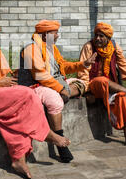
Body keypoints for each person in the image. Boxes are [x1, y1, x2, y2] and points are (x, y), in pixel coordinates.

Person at [0, 9, 71, 179]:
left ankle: (18, 160)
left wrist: (15, 75)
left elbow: (2, 73)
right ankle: (46, 133)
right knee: (28, 94)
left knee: (16, 115)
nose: (0, 28)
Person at [18, 20, 96, 163]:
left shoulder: (51, 48)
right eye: (55, 33)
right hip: (34, 85)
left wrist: (83, 64)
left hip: (53, 82)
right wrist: (60, 89)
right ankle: (60, 144)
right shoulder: (31, 49)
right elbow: (39, 75)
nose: (57, 36)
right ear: (45, 34)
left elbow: (63, 66)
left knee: (81, 83)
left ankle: (63, 92)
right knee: (54, 100)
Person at [78, 22, 126, 145]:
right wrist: (86, 92)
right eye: (96, 35)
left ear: (108, 38)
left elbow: (123, 63)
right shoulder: (89, 47)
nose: (97, 38)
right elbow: (83, 71)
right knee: (102, 80)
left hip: (110, 85)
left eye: (101, 36)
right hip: (93, 85)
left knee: (121, 96)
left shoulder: (114, 47)